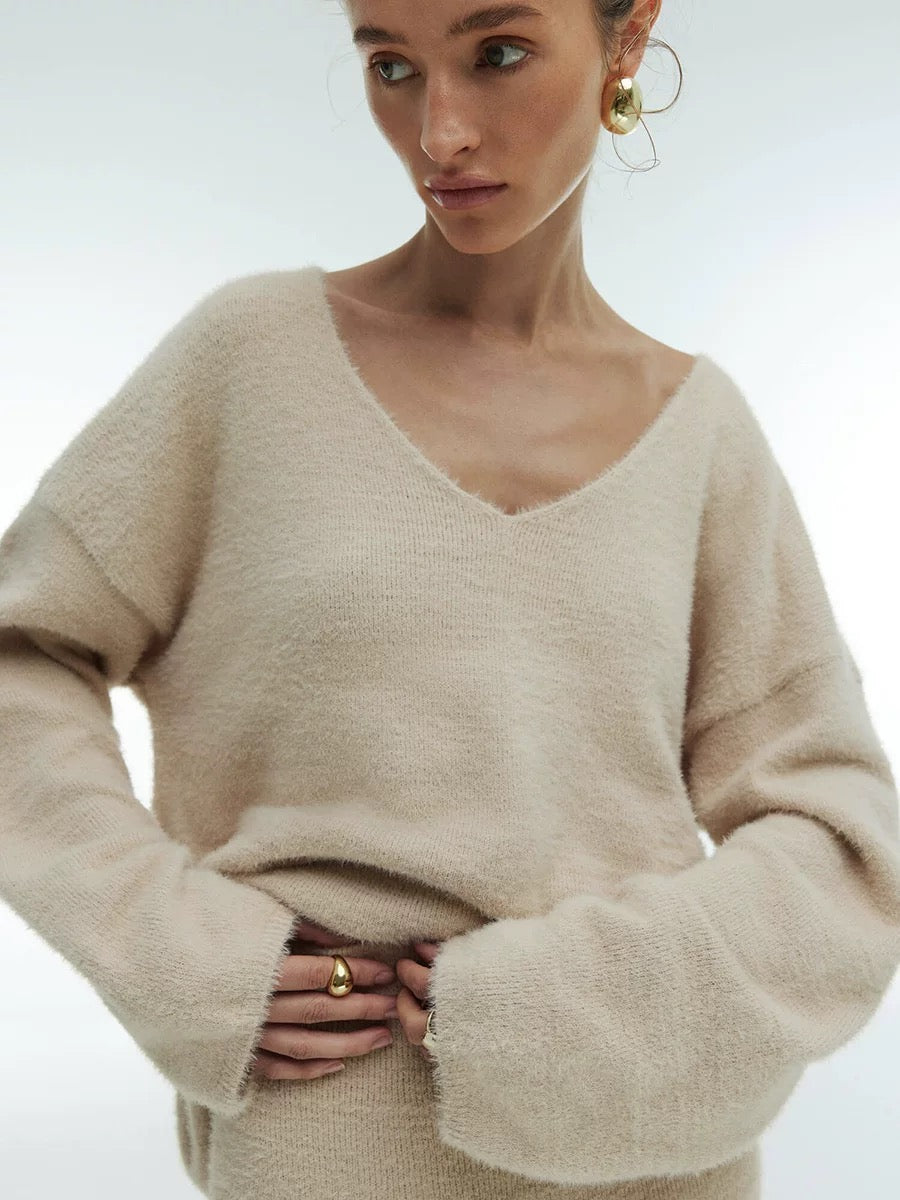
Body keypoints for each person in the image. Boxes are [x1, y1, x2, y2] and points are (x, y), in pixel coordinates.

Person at [1, 2, 899, 1199]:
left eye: (498, 54)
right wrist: (180, 953)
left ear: (627, 39)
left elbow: (843, 843)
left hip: (648, 1154)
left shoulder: (701, 435)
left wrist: (571, 1005)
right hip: (326, 1144)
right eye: (391, 67)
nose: (440, 134)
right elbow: (22, 655)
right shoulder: (249, 362)